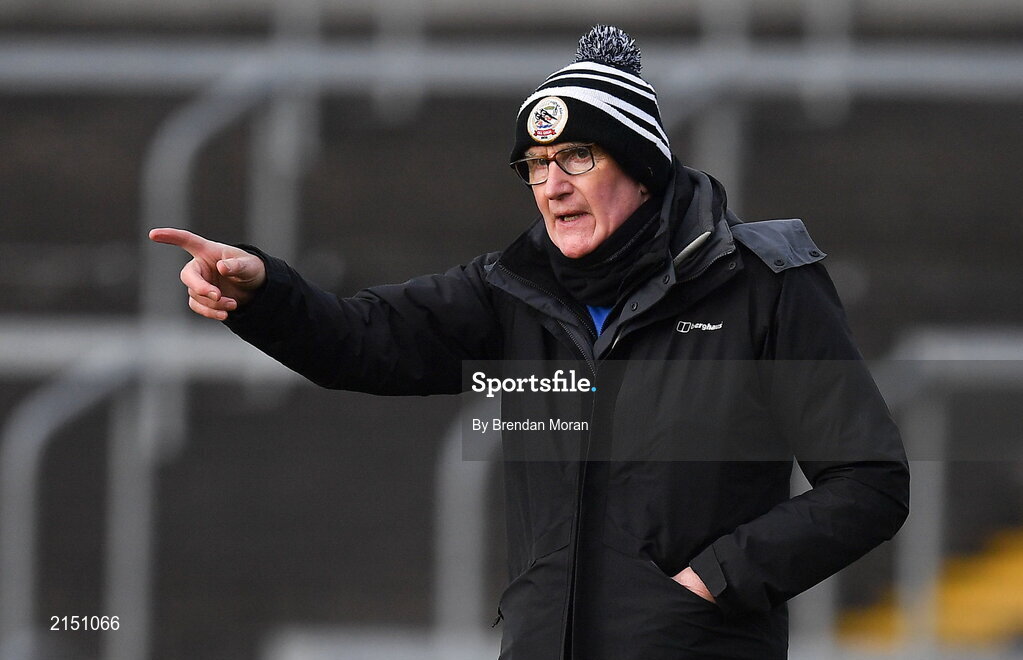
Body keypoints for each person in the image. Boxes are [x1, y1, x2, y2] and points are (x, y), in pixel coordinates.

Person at [150, 25, 909, 660]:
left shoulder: (762, 283)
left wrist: (707, 585)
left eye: (577, 156)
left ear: (642, 170)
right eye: (536, 166)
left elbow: (868, 482)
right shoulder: (512, 290)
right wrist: (263, 293)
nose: (551, 183)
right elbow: (362, 340)